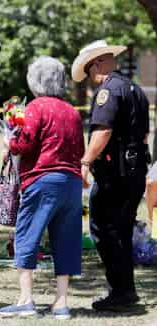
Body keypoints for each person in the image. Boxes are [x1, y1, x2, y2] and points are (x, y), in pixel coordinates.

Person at [0, 56, 84, 320]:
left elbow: (23, 145)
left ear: (35, 80)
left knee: (27, 235)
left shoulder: (36, 108)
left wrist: (8, 143)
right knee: (67, 240)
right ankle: (61, 303)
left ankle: (26, 300)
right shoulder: (72, 111)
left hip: (42, 180)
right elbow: (80, 150)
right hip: (71, 183)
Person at [72, 40, 150, 311]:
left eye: (89, 71)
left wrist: (85, 161)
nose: (90, 78)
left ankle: (121, 292)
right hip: (135, 170)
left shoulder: (108, 91)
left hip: (115, 174)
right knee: (123, 230)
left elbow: (102, 131)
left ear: (97, 64)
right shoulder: (134, 89)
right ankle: (125, 290)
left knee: (104, 230)